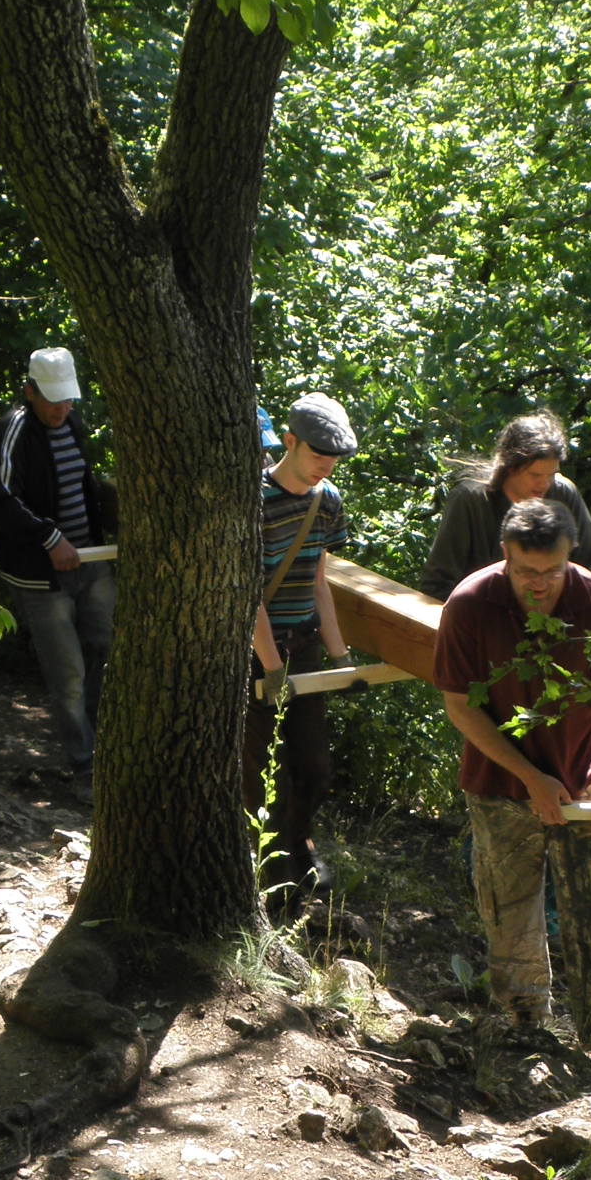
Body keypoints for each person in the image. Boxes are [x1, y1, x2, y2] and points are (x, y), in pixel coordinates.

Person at [432, 497, 591, 1069]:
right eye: (526, 572)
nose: (540, 585)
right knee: (510, 908)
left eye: (552, 572)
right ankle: (527, 1022)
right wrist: (528, 776)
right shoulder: (471, 603)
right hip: (499, 781)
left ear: (570, 556)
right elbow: (460, 706)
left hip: (583, 780)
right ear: (505, 555)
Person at [0, 346, 116, 783]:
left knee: (106, 648)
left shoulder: (72, 423)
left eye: (67, 399)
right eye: (53, 399)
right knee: (69, 673)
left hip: (92, 560)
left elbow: (82, 483)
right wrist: (49, 537)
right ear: (29, 392)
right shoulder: (14, 430)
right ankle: (83, 763)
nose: (61, 408)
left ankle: (104, 742)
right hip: (42, 576)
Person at [245, 393, 356, 917]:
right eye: (317, 457)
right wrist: (270, 669)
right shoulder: (253, 503)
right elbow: (245, 598)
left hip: (303, 645)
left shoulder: (326, 499)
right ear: (289, 442)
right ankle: (272, 877)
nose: (323, 469)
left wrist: (340, 657)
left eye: (332, 462)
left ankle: (300, 848)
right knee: (264, 771)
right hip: (255, 653)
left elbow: (318, 580)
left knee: (314, 768)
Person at [419, 412, 591, 601]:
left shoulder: (564, 493)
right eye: (535, 475)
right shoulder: (470, 500)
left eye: (551, 475)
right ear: (510, 467)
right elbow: (438, 583)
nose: (545, 484)